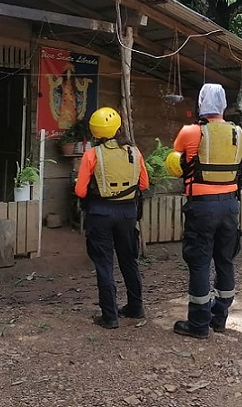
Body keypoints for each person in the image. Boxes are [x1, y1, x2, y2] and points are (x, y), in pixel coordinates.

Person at [169, 83, 242, 339]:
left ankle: (199, 324)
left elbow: (175, 163)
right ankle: (219, 318)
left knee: (200, 262)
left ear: (201, 103)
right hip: (230, 205)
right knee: (225, 260)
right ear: (223, 105)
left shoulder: (190, 132)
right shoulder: (239, 133)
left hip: (202, 206)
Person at [74, 107, 149, 329]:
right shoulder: (134, 152)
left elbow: (80, 191)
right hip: (127, 213)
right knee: (129, 260)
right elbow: (144, 184)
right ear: (117, 127)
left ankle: (110, 316)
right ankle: (136, 307)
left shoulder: (92, 155)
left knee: (104, 264)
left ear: (95, 131)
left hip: (100, 213)